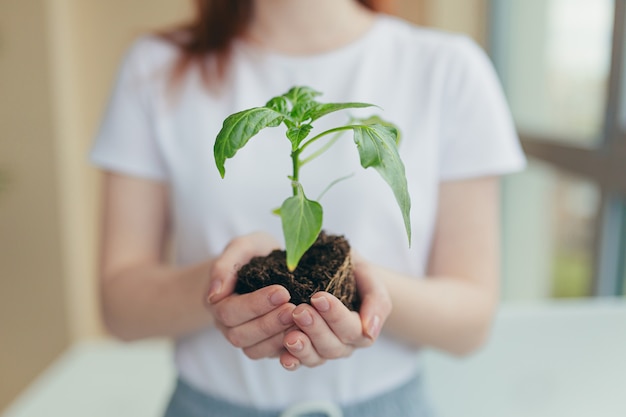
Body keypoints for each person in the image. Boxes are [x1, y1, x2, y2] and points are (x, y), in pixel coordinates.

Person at [90, 0, 526, 416]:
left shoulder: (446, 67)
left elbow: (472, 320)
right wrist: (222, 286)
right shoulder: (155, 67)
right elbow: (120, 308)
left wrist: (359, 287)